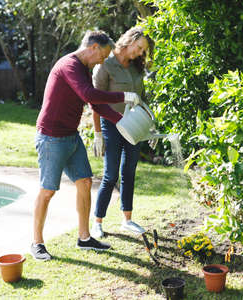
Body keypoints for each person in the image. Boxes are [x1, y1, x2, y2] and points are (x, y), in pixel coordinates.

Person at [32, 30, 141, 261]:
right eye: (102, 55)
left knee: (85, 181)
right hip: (51, 137)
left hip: (71, 136)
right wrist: (124, 96)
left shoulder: (83, 69)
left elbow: (94, 103)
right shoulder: (69, 65)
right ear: (93, 47)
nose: (103, 60)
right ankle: (37, 243)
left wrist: (123, 122)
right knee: (48, 190)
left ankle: (84, 238)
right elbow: (88, 92)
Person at [90, 27, 154, 238]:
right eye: (139, 47)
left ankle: (127, 220)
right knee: (111, 174)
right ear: (130, 40)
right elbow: (95, 100)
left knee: (129, 172)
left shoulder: (136, 67)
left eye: (143, 50)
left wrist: (150, 127)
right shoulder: (106, 64)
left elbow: (142, 98)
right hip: (112, 125)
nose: (140, 53)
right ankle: (97, 222)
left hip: (134, 124)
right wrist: (97, 133)